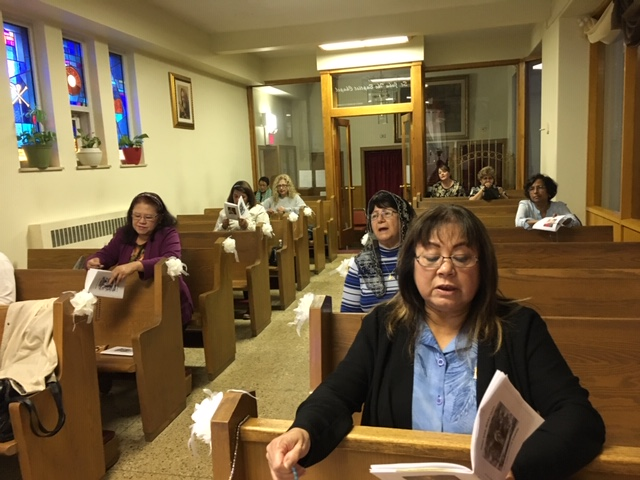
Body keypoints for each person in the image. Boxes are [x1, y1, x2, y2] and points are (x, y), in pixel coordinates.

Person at [266, 204, 605, 480]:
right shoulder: (383, 327)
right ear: (411, 265)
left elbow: (578, 418)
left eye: (461, 257)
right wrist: (304, 431)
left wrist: (516, 471)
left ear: (482, 267)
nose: (445, 269)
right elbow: (338, 394)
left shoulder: (519, 328)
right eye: (430, 256)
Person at [85, 192, 193, 328]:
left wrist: (136, 265)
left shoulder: (168, 234)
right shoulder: (124, 234)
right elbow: (107, 254)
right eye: (136, 216)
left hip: (165, 299)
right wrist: (95, 260)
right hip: (131, 299)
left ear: (159, 218)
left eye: (148, 217)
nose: (141, 221)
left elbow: (171, 260)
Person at [341, 190, 415, 313]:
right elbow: (348, 316)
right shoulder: (362, 264)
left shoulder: (419, 257)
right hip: (373, 332)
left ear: (403, 218)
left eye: (387, 213)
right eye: (374, 216)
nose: (380, 219)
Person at [515, 174, 581, 229]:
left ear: (549, 191)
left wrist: (562, 220)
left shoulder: (559, 206)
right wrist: (544, 222)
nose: (535, 192)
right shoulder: (525, 204)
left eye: (540, 187)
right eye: (531, 189)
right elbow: (518, 222)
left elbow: (576, 223)